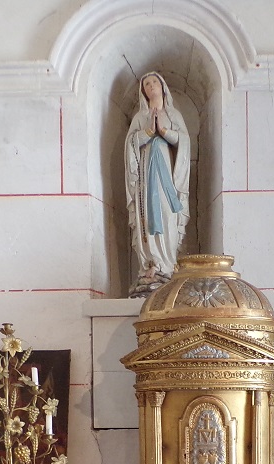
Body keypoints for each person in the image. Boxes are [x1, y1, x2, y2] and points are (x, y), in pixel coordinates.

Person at [124, 71, 191, 297]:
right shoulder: (139, 118)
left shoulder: (173, 115)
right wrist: (147, 133)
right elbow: (130, 144)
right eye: (146, 84)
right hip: (146, 177)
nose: (151, 86)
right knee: (148, 217)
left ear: (162, 86)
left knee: (166, 213)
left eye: (154, 82)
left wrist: (163, 132)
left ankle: (168, 263)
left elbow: (184, 142)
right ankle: (151, 265)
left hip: (166, 177)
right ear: (143, 91)